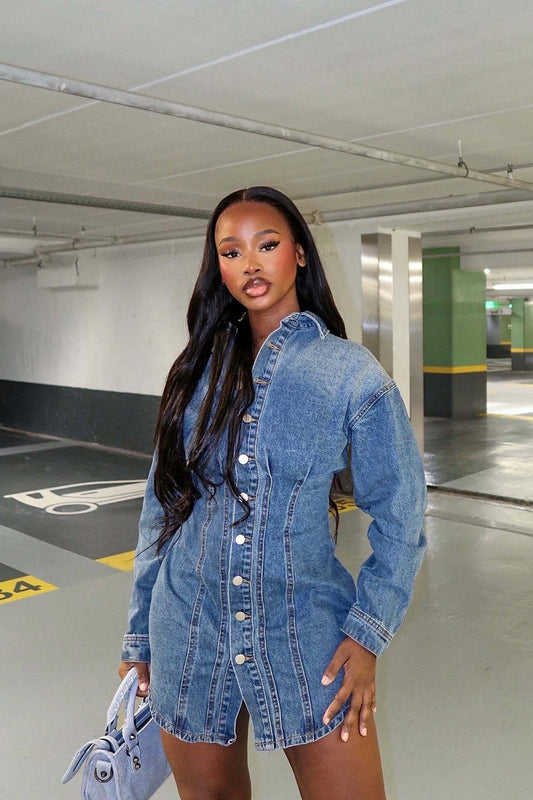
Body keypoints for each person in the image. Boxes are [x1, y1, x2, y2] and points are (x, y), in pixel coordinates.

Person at [119, 186, 427, 800]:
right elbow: (163, 510)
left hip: (306, 630)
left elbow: (402, 513)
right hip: (187, 629)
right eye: (231, 253)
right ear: (218, 267)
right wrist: (139, 638)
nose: (250, 265)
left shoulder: (348, 372)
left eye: (267, 245)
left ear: (300, 255)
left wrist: (367, 635)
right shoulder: (196, 370)